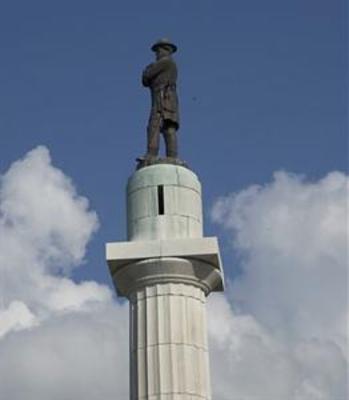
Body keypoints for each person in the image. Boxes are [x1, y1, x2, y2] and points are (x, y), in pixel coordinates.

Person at [142, 38, 179, 160]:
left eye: (158, 51)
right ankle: (172, 156)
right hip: (168, 100)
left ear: (166, 50)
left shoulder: (165, 62)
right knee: (168, 128)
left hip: (162, 98)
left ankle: (152, 154)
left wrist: (148, 69)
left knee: (155, 125)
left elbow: (147, 76)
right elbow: (145, 81)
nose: (156, 54)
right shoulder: (169, 64)